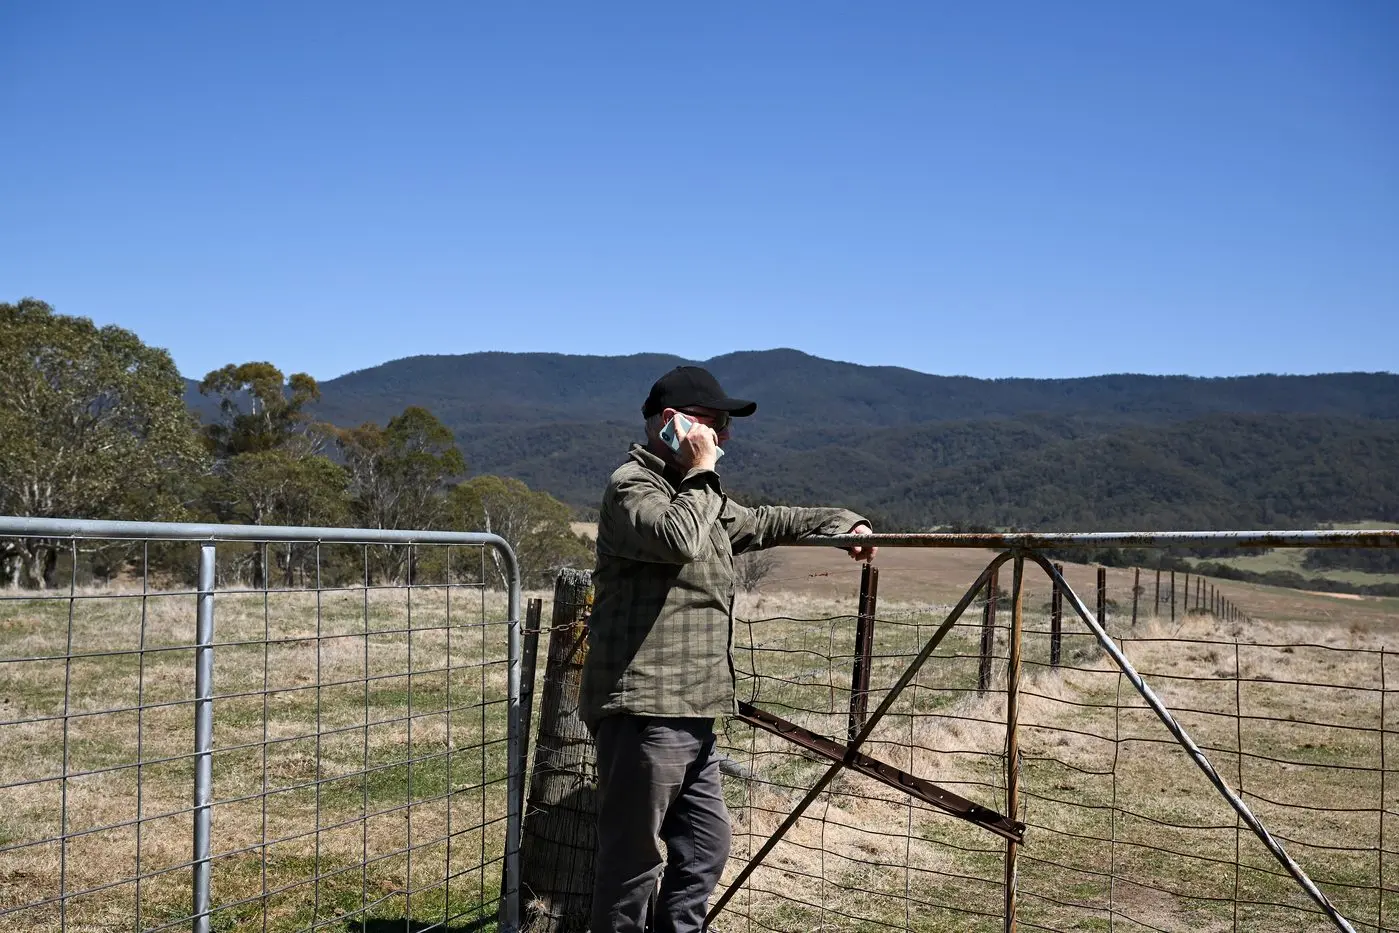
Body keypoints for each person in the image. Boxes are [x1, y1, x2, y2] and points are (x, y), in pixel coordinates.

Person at [580, 365, 876, 933]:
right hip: (648, 707)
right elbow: (678, 540)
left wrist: (847, 524)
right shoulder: (632, 488)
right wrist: (702, 470)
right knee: (632, 864)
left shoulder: (700, 494)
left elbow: (766, 522)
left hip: (695, 707)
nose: (726, 439)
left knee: (705, 850)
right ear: (673, 425)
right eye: (715, 424)